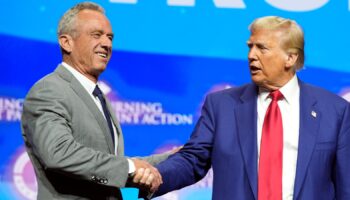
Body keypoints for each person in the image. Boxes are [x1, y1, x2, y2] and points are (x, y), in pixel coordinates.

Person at [154, 16, 350, 200]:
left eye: (262, 48)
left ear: (290, 58)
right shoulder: (221, 106)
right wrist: (152, 176)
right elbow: (191, 161)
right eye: (250, 47)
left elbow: (345, 186)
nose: (251, 55)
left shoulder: (335, 111)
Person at [21, 2, 167, 199]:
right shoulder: (49, 90)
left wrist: (178, 156)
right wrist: (130, 168)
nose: (107, 44)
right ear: (66, 42)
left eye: (110, 37)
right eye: (96, 35)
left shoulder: (98, 97)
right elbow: (59, 153)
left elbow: (110, 163)